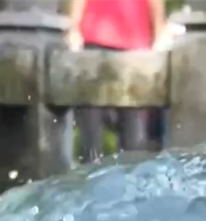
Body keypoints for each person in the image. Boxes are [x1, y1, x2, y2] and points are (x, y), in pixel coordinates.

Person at [68, 0, 167, 164]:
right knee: (92, 135)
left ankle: (126, 172)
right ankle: (93, 173)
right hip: (97, 41)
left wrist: (159, 31)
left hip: (133, 46)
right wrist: (74, 28)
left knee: (133, 138)